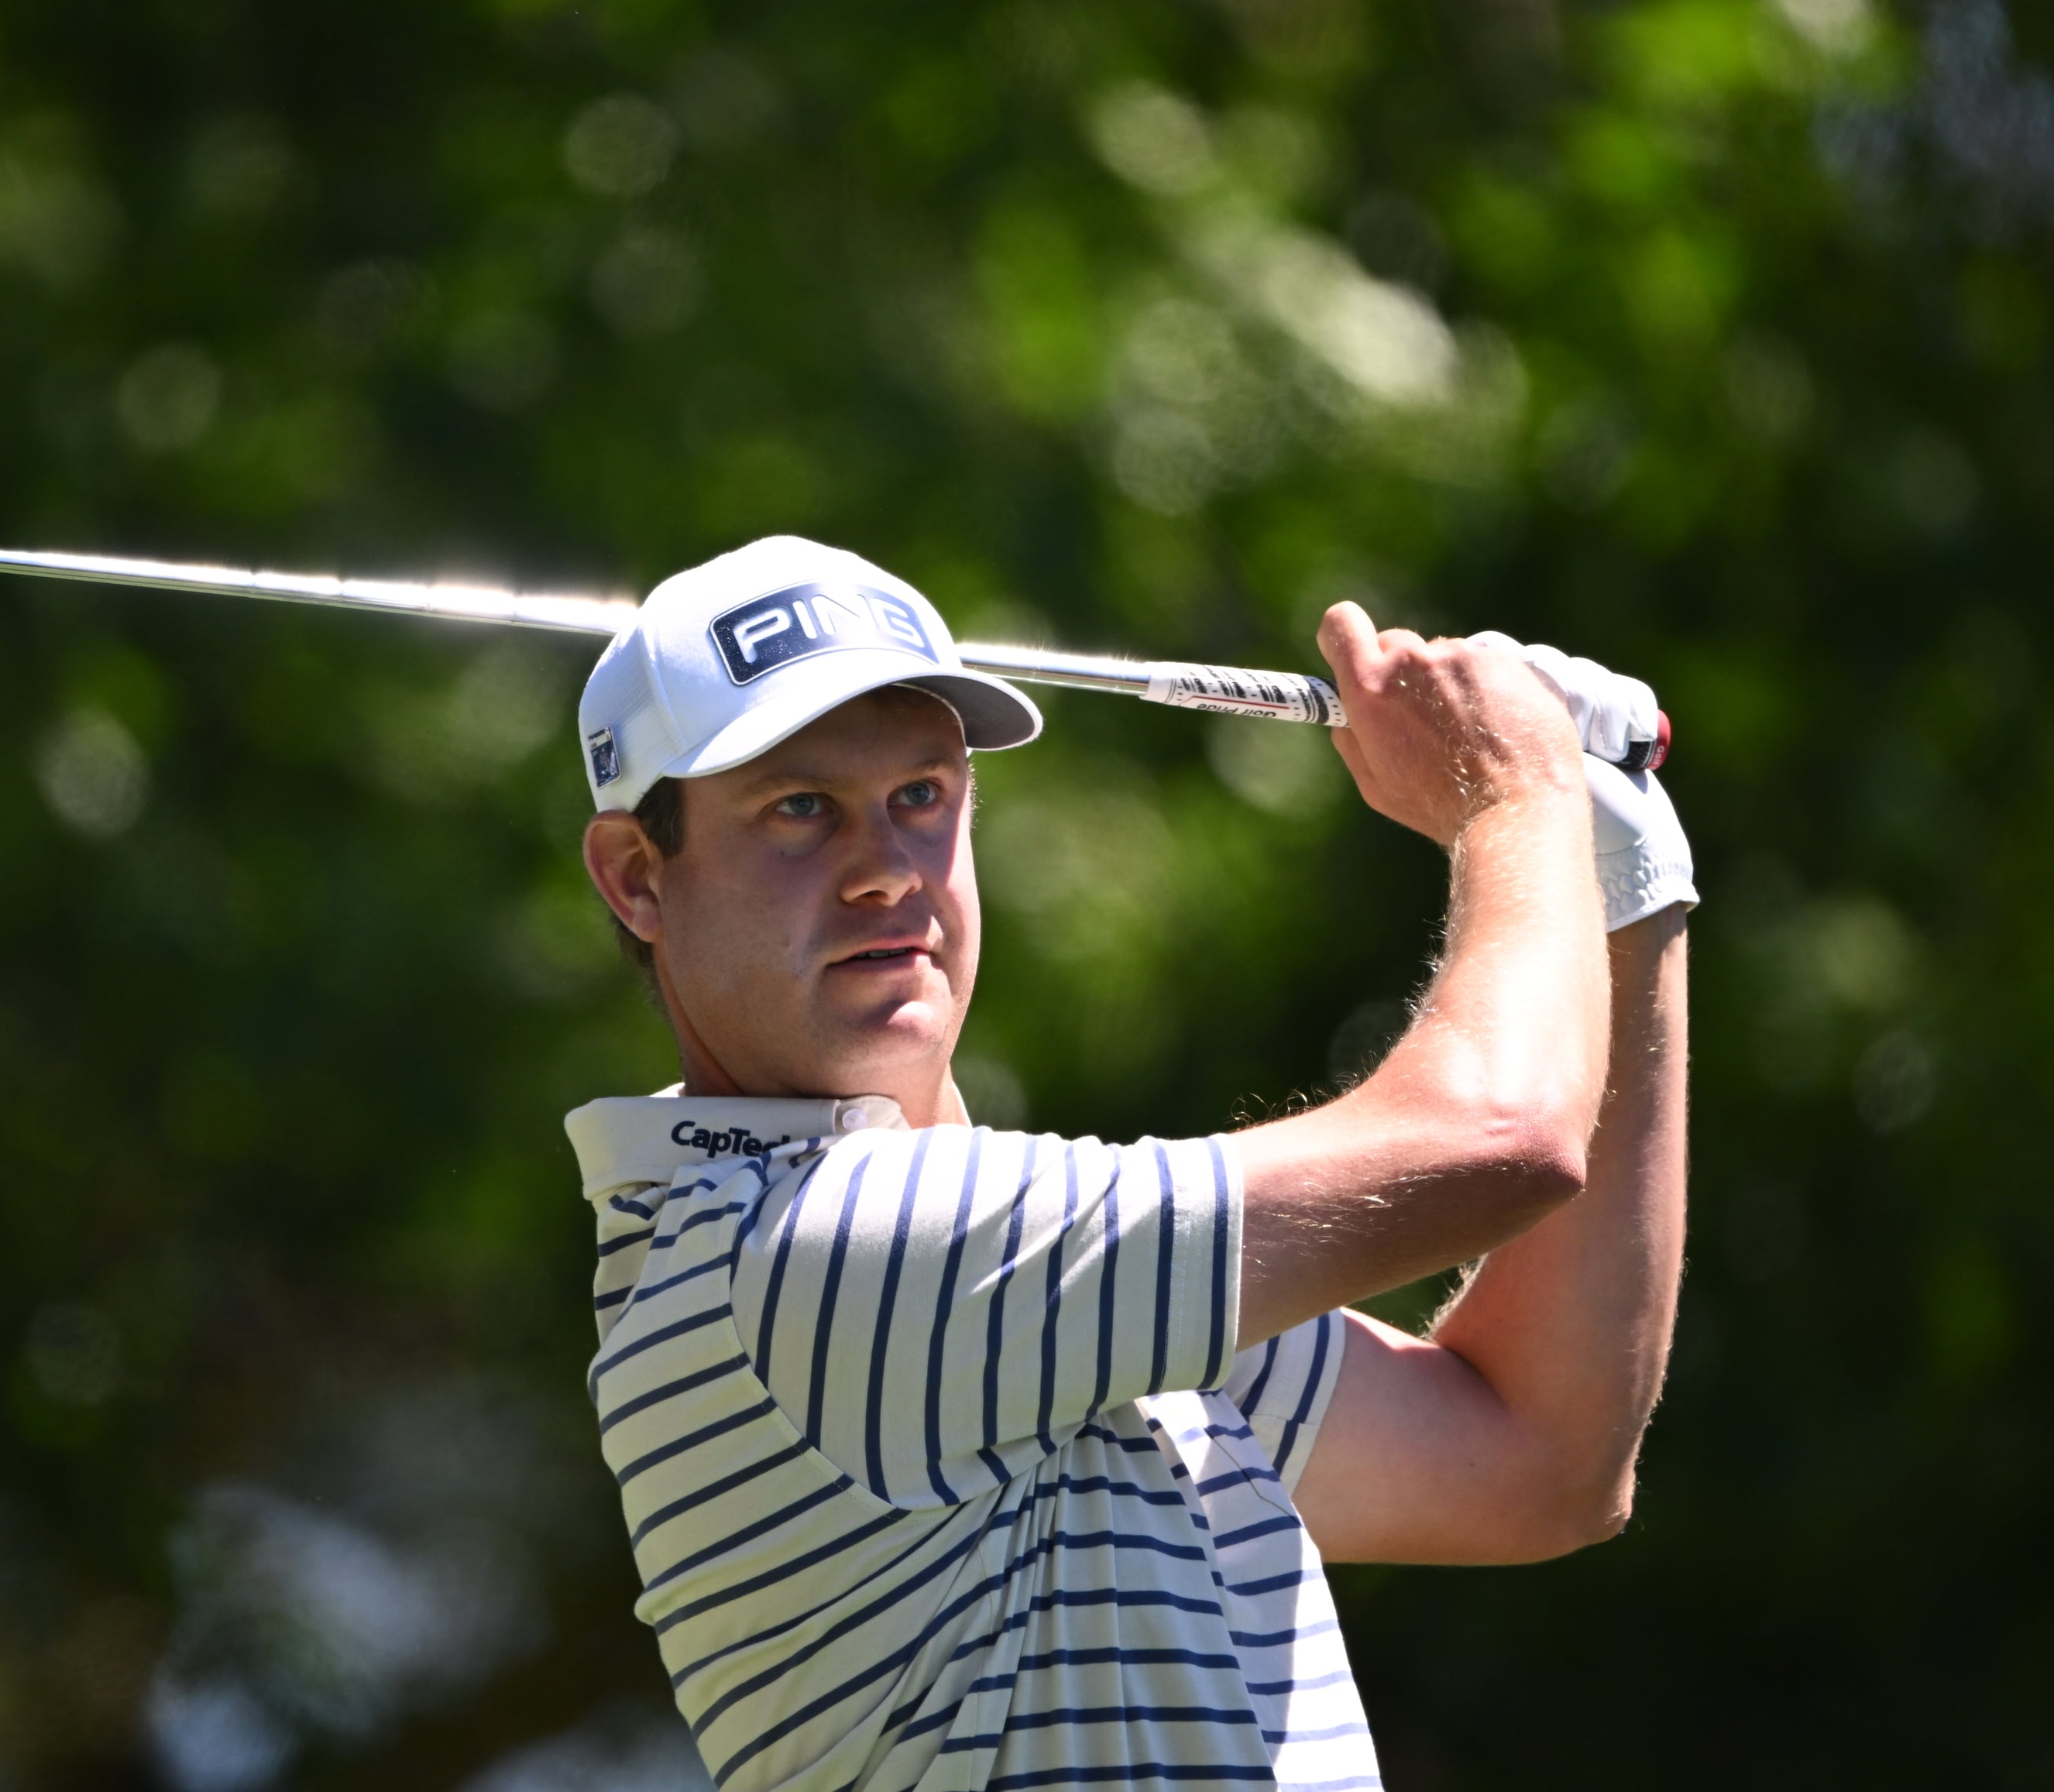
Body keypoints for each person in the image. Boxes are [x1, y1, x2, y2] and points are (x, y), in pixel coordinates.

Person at [565, 535, 1693, 1791]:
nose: (887, 868)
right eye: (800, 810)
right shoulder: (816, 1259)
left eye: (923, 796)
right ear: (636, 880)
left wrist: (1623, 883)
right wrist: (1516, 801)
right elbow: (1502, 1137)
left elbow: (1537, 1461)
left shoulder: (1021, 1281)